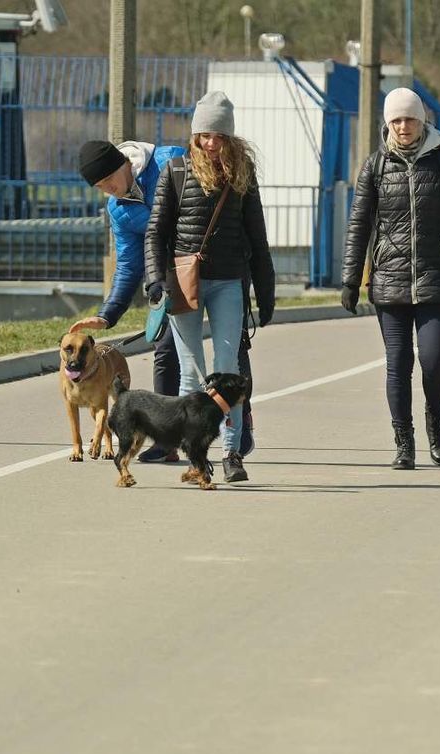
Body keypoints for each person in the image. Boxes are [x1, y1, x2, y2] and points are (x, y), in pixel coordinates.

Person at [73, 139, 258, 463]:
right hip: (175, 279)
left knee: (230, 353)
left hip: (218, 267)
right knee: (166, 349)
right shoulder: (118, 209)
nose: (108, 190)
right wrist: (107, 315)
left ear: (122, 164)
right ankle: (168, 440)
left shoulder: (169, 162)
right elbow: (130, 264)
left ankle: (239, 429)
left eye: (107, 181)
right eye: (100, 187)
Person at [339, 87, 440, 470]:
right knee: (398, 362)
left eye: (410, 119)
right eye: (397, 120)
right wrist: (351, 280)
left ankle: (435, 425)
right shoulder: (375, 167)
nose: (404, 127)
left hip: (436, 277)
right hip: (389, 281)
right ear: (388, 124)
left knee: (435, 360)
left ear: (422, 121)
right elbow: (359, 226)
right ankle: (404, 442)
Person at [144, 90, 276, 484]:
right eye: (204, 135)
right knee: (190, 373)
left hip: (229, 281)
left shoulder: (243, 174)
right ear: (195, 135)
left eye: (218, 135)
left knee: (227, 369)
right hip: (185, 283)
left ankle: (232, 454)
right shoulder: (176, 171)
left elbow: (258, 237)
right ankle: (195, 457)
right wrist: (154, 280)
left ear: (230, 137)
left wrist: (266, 294)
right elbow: (156, 232)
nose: (211, 142)